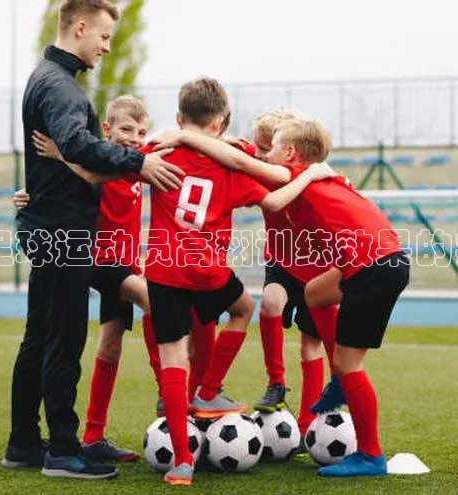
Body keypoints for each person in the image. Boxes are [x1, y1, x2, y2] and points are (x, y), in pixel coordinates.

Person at [152, 115, 410, 477]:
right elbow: (241, 151)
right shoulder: (326, 175)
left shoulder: (293, 175)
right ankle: (337, 381)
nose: (265, 153)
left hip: (373, 267)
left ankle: (370, 454)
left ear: (290, 152)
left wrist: (182, 135)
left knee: (351, 364)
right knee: (314, 293)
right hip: (374, 259)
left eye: (271, 148)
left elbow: (242, 163)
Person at [3, 0, 182, 480]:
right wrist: (138, 162)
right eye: (102, 36)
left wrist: (43, 185)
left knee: (38, 336)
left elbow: (70, 153)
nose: (105, 47)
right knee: (62, 339)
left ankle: (23, 443)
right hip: (63, 232)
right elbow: (79, 146)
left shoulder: (47, 78)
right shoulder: (60, 87)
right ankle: (63, 450)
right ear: (79, 28)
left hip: (49, 226)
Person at [142, 77, 335, 485]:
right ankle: (209, 390)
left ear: (180, 117)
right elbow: (273, 198)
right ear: (221, 124)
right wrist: (312, 175)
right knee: (243, 307)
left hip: (163, 268)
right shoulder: (230, 166)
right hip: (208, 270)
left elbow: (115, 168)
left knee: (173, 356)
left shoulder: (159, 151)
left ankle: (181, 463)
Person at [247, 109, 339, 442]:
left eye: (263, 148)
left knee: (311, 344)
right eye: (257, 148)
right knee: (270, 300)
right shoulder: (260, 164)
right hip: (282, 262)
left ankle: (307, 423)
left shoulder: (315, 179)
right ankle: (276, 382)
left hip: (317, 269)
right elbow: (235, 152)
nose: (257, 154)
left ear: (285, 151)